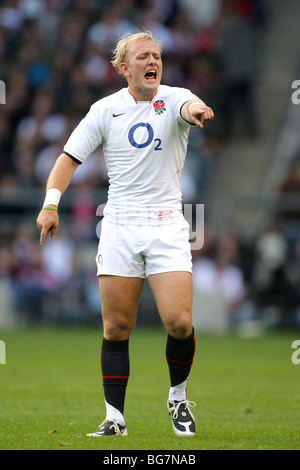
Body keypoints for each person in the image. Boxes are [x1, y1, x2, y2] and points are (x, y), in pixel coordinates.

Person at [36, 31, 214, 437]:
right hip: (119, 224)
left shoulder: (173, 97)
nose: (153, 61)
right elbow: (68, 159)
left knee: (180, 323)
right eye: (143, 56)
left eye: (157, 55)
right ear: (123, 68)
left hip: (167, 223)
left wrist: (198, 109)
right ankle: (115, 419)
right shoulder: (104, 110)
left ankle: (178, 397)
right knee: (116, 328)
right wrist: (50, 204)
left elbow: (189, 107)